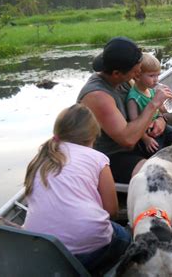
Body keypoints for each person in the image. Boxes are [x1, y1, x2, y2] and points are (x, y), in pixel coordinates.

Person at [77, 36, 172, 184]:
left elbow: (148, 110)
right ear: (116, 73)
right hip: (113, 156)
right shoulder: (98, 96)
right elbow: (128, 140)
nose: (138, 75)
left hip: (141, 142)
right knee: (161, 174)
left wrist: (161, 119)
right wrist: (154, 104)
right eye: (135, 72)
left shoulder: (125, 79)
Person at [23, 104, 130, 273]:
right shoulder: (98, 158)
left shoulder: (39, 159)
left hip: (40, 249)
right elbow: (112, 210)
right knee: (124, 236)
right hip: (86, 248)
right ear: (92, 137)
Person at [126, 52, 172, 155]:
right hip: (148, 134)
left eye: (157, 75)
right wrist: (146, 139)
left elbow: (161, 109)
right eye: (151, 75)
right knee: (158, 151)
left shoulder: (152, 91)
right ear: (137, 76)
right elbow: (134, 124)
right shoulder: (133, 98)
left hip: (161, 128)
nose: (156, 80)